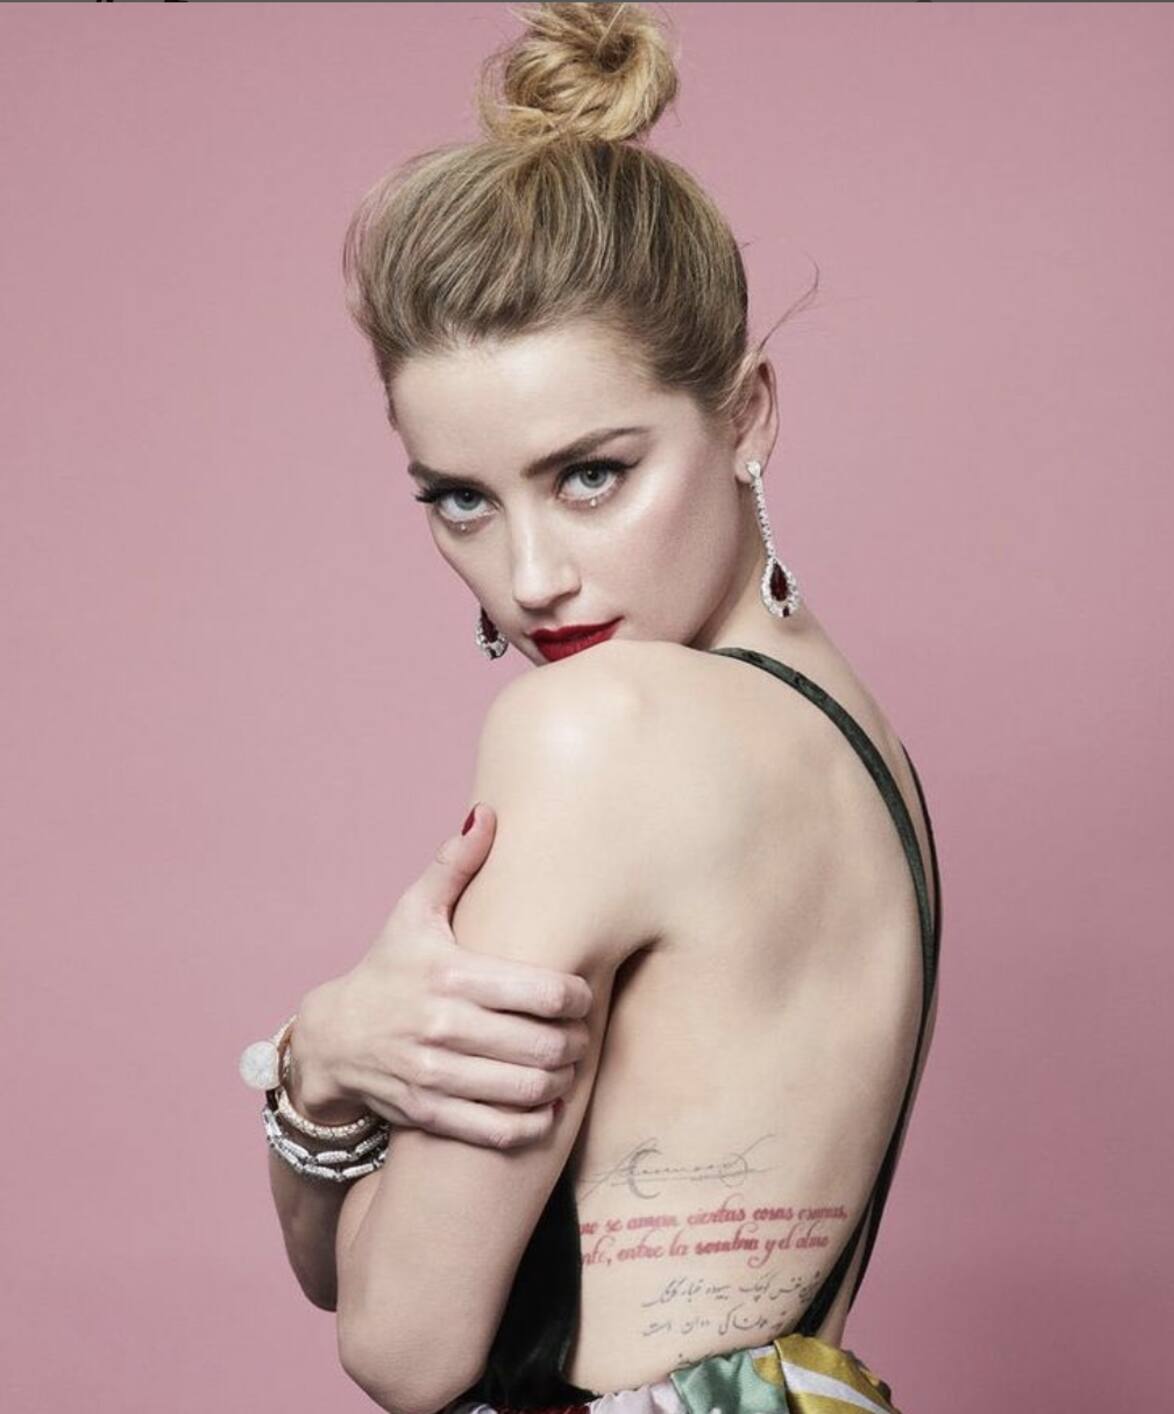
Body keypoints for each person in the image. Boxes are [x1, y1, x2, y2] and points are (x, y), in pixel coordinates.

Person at [242, 5, 942, 1413]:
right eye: (462, 500)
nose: (531, 576)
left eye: (591, 474)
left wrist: (320, 1059)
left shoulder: (595, 732)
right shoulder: (861, 744)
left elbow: (396, 1340)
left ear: (745, 414)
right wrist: (330, 1078)